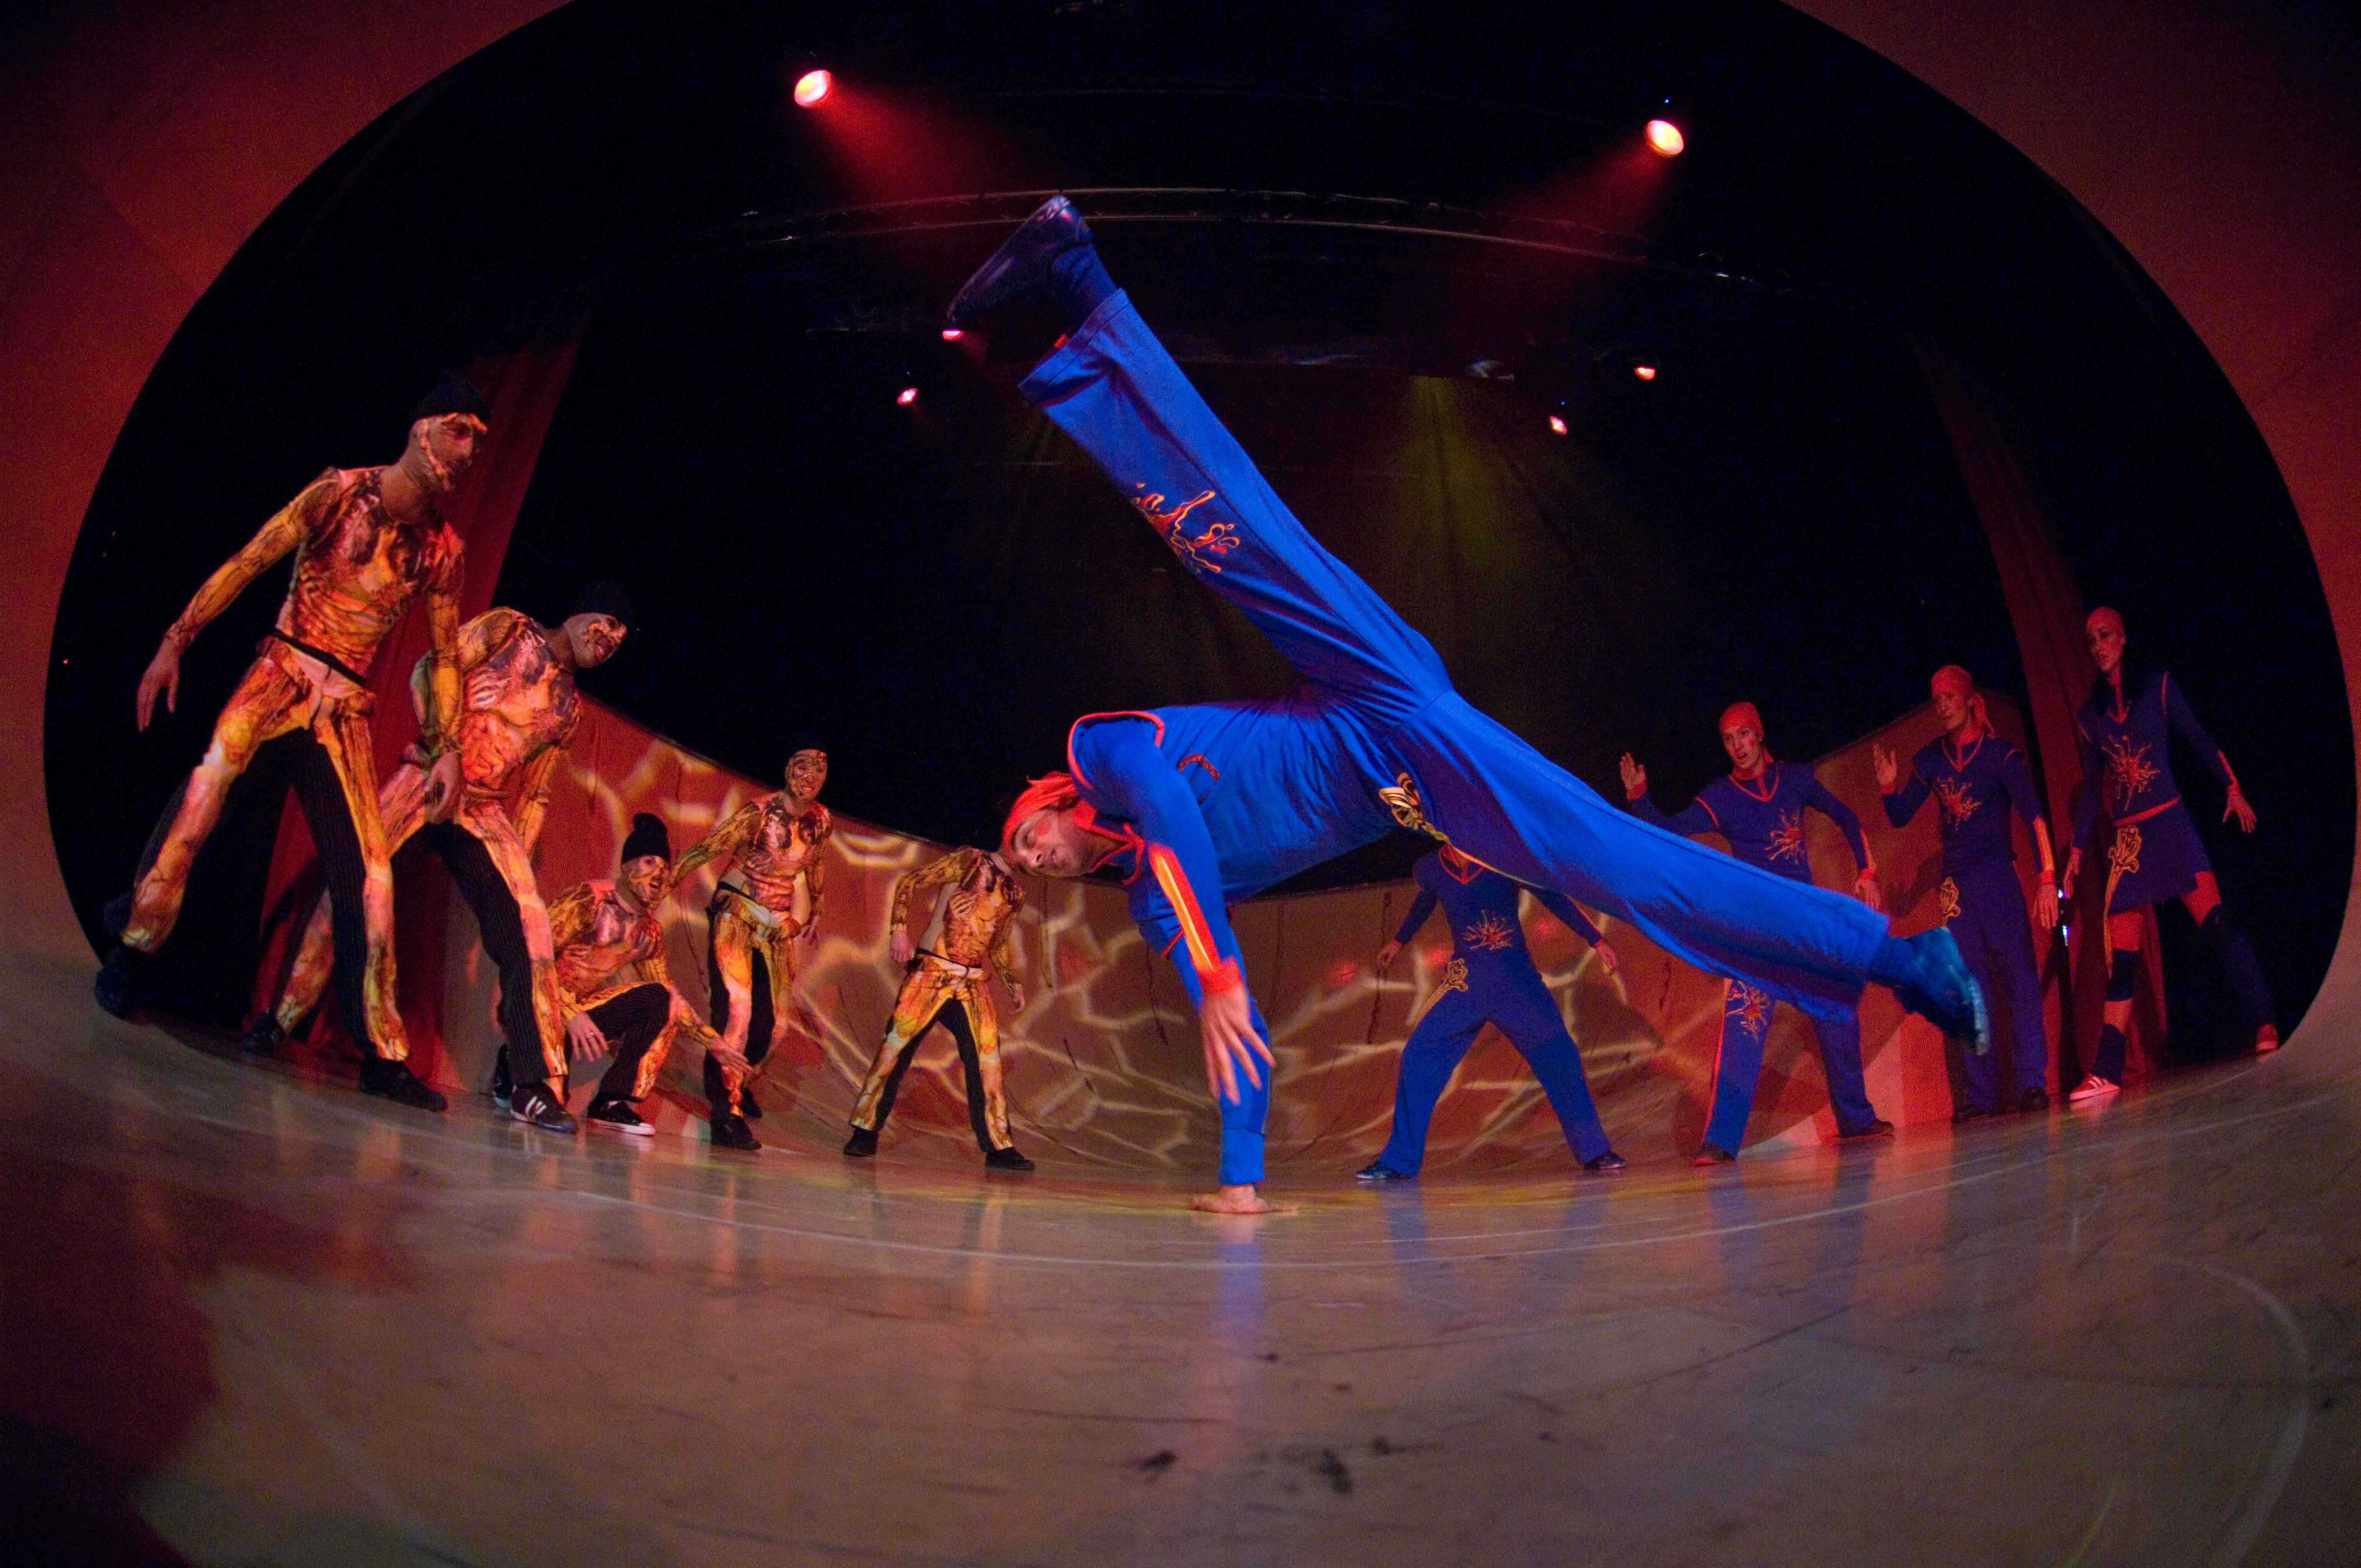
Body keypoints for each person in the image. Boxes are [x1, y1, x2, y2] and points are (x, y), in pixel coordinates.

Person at [952, 196, 1982, 1215]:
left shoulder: (1099, 754)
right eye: (1025, 860)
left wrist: (1215, 963)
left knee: (1232, 534)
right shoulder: (1150, 901)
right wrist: (1240, 1177)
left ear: (1044, 796)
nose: (1029, 852)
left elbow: (1171, 815)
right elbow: (1231, 1021)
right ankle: (1899, 959)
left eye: (1021, 831)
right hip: (1421, 790)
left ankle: (1078, 274)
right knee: (1631, 871)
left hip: (1363, 686)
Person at [96, 376, 489, 1112]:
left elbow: (443, 656)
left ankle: (382, 1054)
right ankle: (134, 952)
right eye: (460, 431)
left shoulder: (442, 550)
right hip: (280, 671)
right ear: (422, 427)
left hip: (343, 708)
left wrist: (447, 747)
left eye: (478, 442)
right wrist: (176, 639)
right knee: (203, 798)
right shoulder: (337, 492)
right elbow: (252, 559)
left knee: (371, 876)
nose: (468, 452)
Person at [253, 591, 631, 1132]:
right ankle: (280, 1018)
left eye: (621, 637)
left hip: (484, 807)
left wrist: (517, 862)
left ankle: (533, 1085)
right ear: (580, 611)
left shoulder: (570, 709)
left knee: (531, 927)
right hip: (429, 773)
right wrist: (445, 744)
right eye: (608, 622)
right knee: (356, 891)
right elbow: (430, 668)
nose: (611, 639)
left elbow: (536, 793)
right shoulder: (509, 629)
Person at [1619, 704, 1895, 1163]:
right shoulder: (1721, 797)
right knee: (1743, 1030)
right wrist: (1639, 798)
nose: (1738, 746)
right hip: (1756, 934)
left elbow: (1847, 818)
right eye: (1728, 740)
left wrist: (1867, 870)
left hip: (1804, 928)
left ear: (1760, 733)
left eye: (1744, 734)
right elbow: (1669, 832)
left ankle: (1855, 1118)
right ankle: (1721, 1140)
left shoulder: (1797, 779)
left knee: (1838, 1013)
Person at [2061, 607, 2276, 1102]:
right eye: (2091, 639)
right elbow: (2093, 790)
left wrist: (2231, 786)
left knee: (2217, 926)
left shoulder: (2157, 688)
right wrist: (2075, 851)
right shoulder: (2092, 717)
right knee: (2122, 963)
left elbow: (2198, 737)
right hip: (2130, 845)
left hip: (2170, 828)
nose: (2098, 646)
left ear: (2123, 638)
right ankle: (2107, 1071)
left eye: (2106, 635)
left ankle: (2264, 1018)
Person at [1358, 845, 1625, 1181]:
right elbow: (1425, 902)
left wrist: (1597, 940)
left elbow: (1552, 897)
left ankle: (1594, 1150)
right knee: (1418, 1055)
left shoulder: (1503, 856)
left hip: (1516, 981)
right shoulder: (1432, 867)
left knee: (1561, 1055)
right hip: (1466, 982)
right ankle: (1399, 1160)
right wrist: (1399, 941)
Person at [1875, 665, 2057, 1121]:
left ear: (1970, 700)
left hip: (1997, 877)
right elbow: (1900, 815)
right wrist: (1888, 786)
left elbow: (2035, 816)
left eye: (1950, 698)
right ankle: (1980, 1096)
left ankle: (2032, 1082)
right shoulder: (1932, 759)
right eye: (1937, 700)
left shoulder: (2001, 756)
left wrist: (2047, 876)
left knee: (2018, 979)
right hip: (1957, 885)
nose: (1943, 707)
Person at [496, 813, 734, 1138]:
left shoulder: (648, 931)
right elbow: (532, 958)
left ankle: (612, 1101)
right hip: (537, 1004)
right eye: (649, 862)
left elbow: (671, 995)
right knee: (551, 1099)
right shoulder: (589, 900)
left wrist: (714, 1042)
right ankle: (520, 1070)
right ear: (626, 866)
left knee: (664, 999)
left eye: (665, 869)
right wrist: (569, 1011)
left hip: (578, 1013)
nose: (659, 875)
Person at [669, 746, 832, 1150]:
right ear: (788, 770)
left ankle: (737, 1081)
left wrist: (816, 909)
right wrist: (663, 884)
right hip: (738, 912)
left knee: (775, 1028)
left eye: (820, 771)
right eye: (803, 768)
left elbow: (815, 863)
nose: (811, 778)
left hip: (776, 924)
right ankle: (726, 1112)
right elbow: (708, 848)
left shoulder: (820, 821)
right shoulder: (757, 814)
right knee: (737, 1013)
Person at [845, 844, 1036, 1169]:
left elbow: (998, 943)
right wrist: (899, 930)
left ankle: (999, 1148)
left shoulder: (1015, 894)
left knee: (988, 1058)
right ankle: (864, 1131)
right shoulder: (969, 860)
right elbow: (910, 881)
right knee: (896, 1047)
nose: (1034, 856)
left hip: (972, 981)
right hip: (933, 971)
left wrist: (1012, 982)